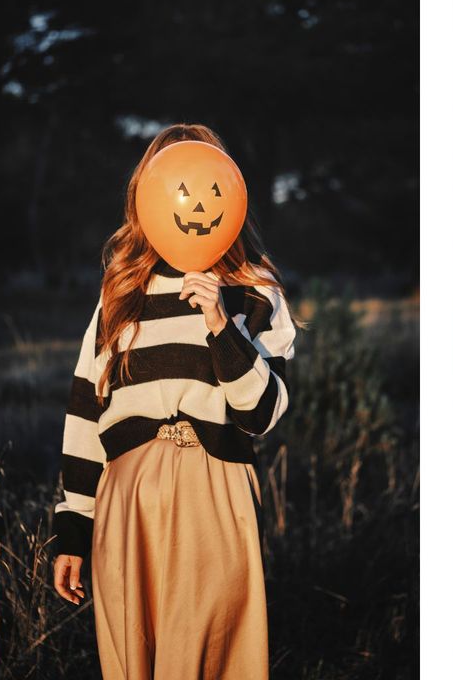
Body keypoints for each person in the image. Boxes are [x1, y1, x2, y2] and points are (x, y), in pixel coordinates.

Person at [50, 123, 303, 680]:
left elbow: (262, 414)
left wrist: (220, 324)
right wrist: (73, 526)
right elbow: (86, 412)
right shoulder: (121, 293)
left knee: (208, 654)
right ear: (148, 194)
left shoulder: (256, 292)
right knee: (131, 658)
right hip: (126, 492)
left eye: (208, 183)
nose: (191, 198)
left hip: (212, 485)